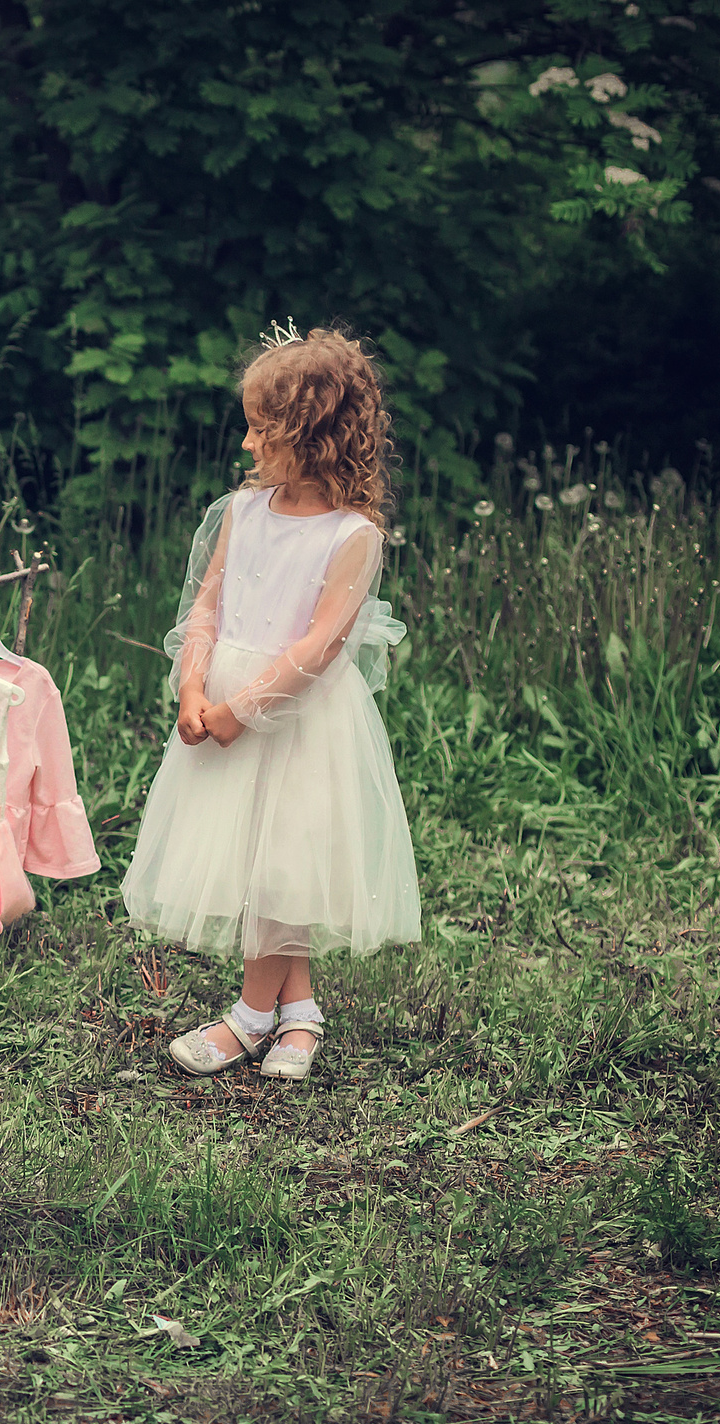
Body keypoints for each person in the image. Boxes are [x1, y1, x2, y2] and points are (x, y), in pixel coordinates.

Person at [119, 324, 422, 1080]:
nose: (249, 445)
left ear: (313, 436)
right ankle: (301, 1012)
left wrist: (240, 709)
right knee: (262, 863)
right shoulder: (242, 511)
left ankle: (252, 1016)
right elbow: (208, 605)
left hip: (296, 718)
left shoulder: (352, 536)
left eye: (263, 430)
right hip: (225, 706)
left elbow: (318, 649)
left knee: (280, 864)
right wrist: (193, 684)